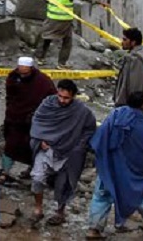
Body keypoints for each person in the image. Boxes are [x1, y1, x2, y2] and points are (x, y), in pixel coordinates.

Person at [86, 91, 143, 239]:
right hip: (130, 171)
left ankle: (94, 229)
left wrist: (103, 157)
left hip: (109, 166)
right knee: (139, 192)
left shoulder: (116, 114)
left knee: (102, 195)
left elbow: (101, 137)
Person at [29, 79, 96, 226]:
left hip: (68, 152)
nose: (62, 100)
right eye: (60, 96)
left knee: (63, 183)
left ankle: (60, 212)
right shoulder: (47, 104)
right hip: (47, 149)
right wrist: (40, 140)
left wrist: (79, 146)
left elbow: (90, 129)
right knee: (37, 177)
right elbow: (37, 121)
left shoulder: (81, 111)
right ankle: (38, 208)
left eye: (66, 98)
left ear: (73, 96)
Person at [0, 56, 56, 185]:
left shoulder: (43, 81)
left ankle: (32, 170)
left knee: (32, 148)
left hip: (33, 122)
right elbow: (10, 96)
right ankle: (5, 172)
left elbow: (52, 99)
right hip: (15, 119)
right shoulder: (13, 78)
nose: (22, 73)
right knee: (10, 145)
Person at [36, 0, 106, 67]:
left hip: (51, 19)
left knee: (46, 38)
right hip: (65, 21)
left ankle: (40, 59)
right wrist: (97, 1)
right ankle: (61, 64)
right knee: (67, 42)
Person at [113, 28, 143, 108]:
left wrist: (122, 103)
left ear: (133, 42)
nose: (122, 42)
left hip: (131, 105)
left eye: (125, 39)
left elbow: (134, 85)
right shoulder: (142, 54)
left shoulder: (135, 59)